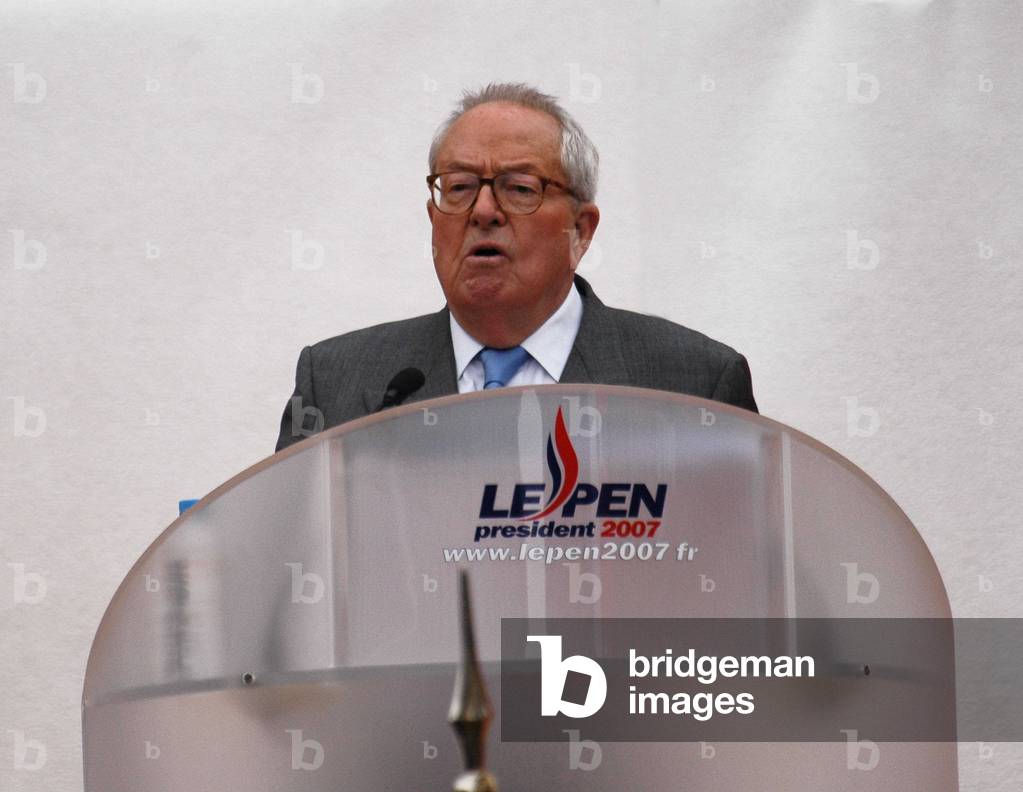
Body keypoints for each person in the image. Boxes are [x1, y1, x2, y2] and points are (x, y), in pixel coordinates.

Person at [275, 83, 757, 452]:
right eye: (459, 187)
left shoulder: (693, 385)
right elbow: (288, 568)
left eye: (520, 188)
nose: (483, 211)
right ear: (433, 220)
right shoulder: (336, 384)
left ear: (581, 230)